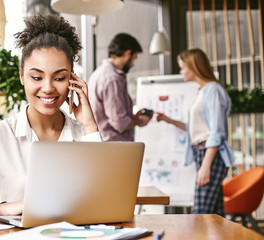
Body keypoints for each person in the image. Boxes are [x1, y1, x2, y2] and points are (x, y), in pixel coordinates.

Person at [0, 14, 101, 218]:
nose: (48, 88)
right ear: (21, 77)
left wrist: (90, 125)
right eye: (36, 77)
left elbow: (106, 197)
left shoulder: (84, 135)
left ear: (73, 79)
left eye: (60, 78)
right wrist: (1, 208)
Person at [156, 48, 235, 216]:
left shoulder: (213, 91)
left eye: (183, 67)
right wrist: (168, 119)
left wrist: (206, 166)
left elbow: (216, 132)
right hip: (203, 154)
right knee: (215, 214)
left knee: (200, 213)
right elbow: (195, 128)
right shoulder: (202, 91)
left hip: (211, 156)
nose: (181, 71)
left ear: (194, 67)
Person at [88, 33, 152, 142]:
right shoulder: (112, 79)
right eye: (134, 58)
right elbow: (119, 123)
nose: (132, 64)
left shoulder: (99, 73)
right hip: (114, 147)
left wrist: (133, 118)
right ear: (127, 54)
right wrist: (139, 121)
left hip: (104, 145)